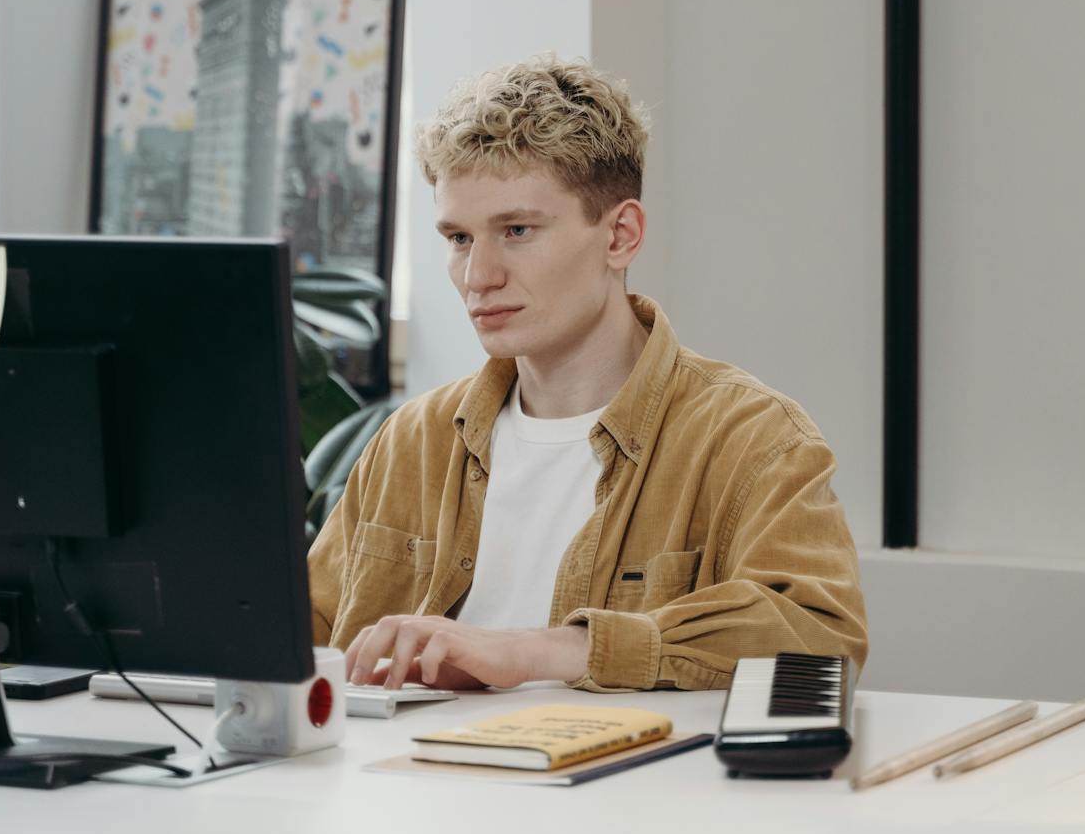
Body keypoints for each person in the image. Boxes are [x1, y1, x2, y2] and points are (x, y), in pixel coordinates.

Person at [307, 55, 867, 691]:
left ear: (621, 235)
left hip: (621, 791)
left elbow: (821, 640)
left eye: (516, 230)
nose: (477, 275)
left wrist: (546, 652)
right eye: (459, 238)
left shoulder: (752, 439)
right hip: (402, 784)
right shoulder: (412, 441)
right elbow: (291, 640)